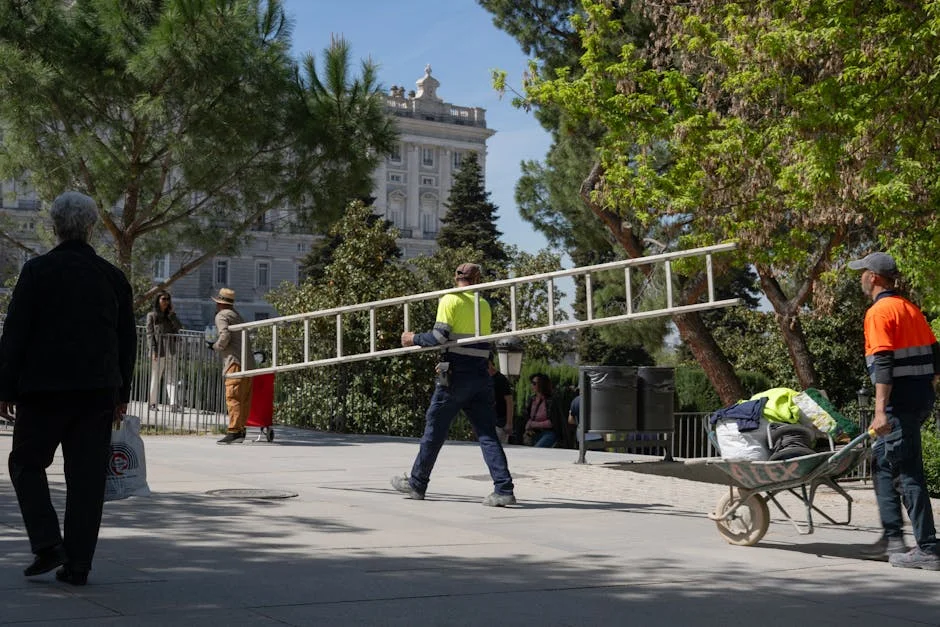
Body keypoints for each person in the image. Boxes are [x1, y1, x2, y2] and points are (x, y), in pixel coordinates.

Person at [0, 191, 136, 586]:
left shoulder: (37, 271)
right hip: (96, 393)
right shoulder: (112, 277)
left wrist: (6, 387)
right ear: (92, 228)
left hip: (43, 390)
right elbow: (127, 342)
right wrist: (121, 395)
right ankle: (78, 565)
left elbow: (15, 333)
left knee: (26, 463)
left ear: (54, 227)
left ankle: (47, 544)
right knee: (87, 480)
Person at [391, 263, 516, 506]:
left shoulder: (451, 299)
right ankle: (504, 489)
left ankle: (417, 483)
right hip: (480, 376)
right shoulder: (483, 304)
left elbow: (439, 337)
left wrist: (412, 339)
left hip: (456, 375)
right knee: (488, 434)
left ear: (455, 278)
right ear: (478, 279)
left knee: (434, 430)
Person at [849, 252, 940, 569]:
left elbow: (884, 364)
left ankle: (928, 547)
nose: (860, 277)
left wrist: (880, 411)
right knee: (884, 464)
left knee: (907, 472)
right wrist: (924, 393)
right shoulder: (910, 309)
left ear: (873, 277)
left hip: (897, 404)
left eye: (862, 272)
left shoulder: (879, 312)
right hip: (919, 399)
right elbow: (936, 357)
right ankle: (892, 536)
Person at [210, 288, 253, 444]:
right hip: (248, 364)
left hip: (234, 361)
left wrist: (216, 346)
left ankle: (234, 431)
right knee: (244, 398)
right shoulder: (237, 316)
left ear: (220, 304)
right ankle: (241, 430)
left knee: (233, 396)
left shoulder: (221, 316)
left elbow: (225, 334)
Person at [146, 290, 183, 411]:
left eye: (168, 299)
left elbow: (179, 327)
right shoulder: (151, 315)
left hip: (170, 349)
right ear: (158, 300)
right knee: (156, 376)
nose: (166, 302)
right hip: (158, 350)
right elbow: (149, 334)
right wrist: (153, 350)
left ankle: (173, 404)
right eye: (163, 299)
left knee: (171, 376)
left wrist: (172, 315)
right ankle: (152, 403)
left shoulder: (170, 315)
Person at [523, 373, 565, 448]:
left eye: (534, 383)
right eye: (532, 383)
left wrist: (532, 424)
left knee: (536, 451)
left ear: (542, 385)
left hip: (549, 433)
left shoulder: (552, 400)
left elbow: (552, 422)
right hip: (533, 433)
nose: (532, 385)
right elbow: (527, 416)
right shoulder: (531, 399)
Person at [488, 357, 514, 444]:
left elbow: (509, 401)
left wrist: (509, 423)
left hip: (500, 420)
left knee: (498, 445)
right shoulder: (484, 378)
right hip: (489, 419)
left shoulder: (501, 379)